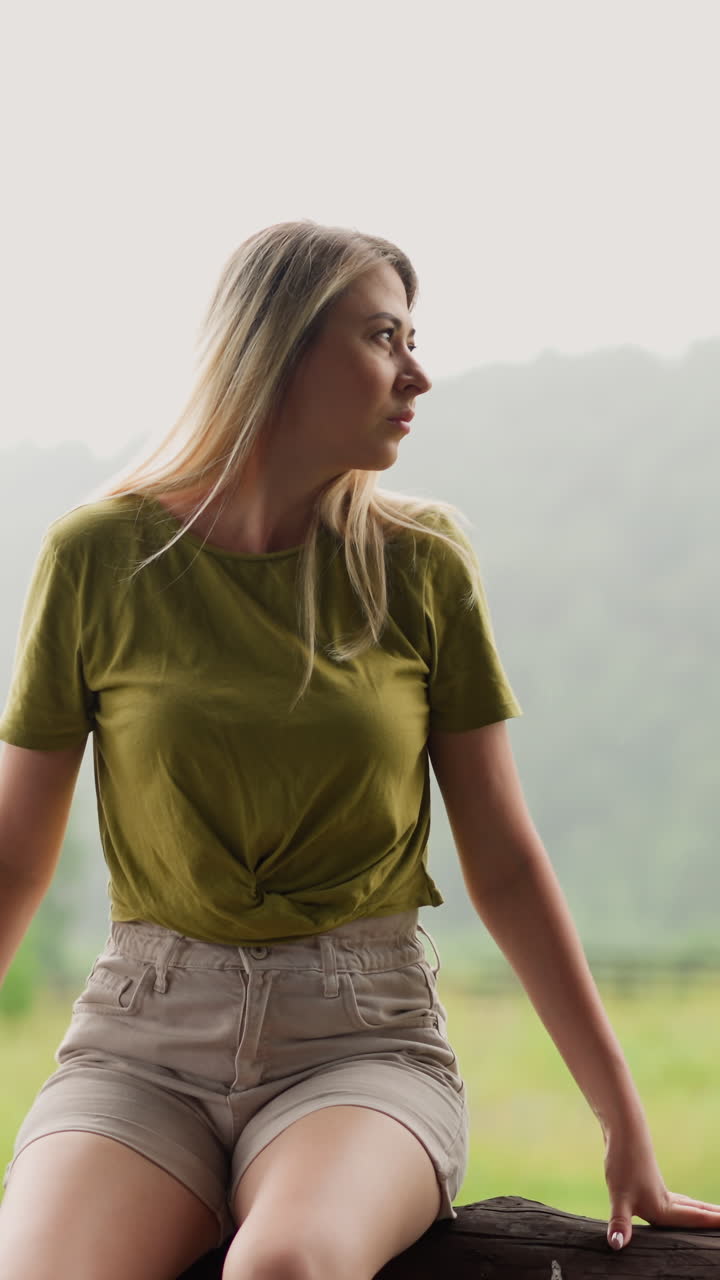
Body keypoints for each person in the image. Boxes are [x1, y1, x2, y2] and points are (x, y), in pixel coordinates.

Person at [0, 220, 718, 1280]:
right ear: (277, 348)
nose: (417, 372)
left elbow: (507, 860)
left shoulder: (421, 565)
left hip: (360, 1041)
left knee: (284, 1265)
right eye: (384, 337)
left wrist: (623, 1116)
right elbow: (15, 856)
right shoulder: (98, 557)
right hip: (138, 1044)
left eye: (413, 338)